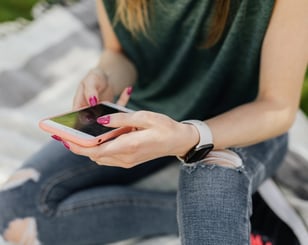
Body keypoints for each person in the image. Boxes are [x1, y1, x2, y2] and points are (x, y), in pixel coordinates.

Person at [0, 0, 307, 244]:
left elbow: (277, 107)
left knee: (210, 184)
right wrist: (105, 76)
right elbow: (119, 53)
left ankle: (230, 211)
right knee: (15, 212)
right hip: (148, 110)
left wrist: (187, 136)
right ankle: (244, 214)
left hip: (242, 124)